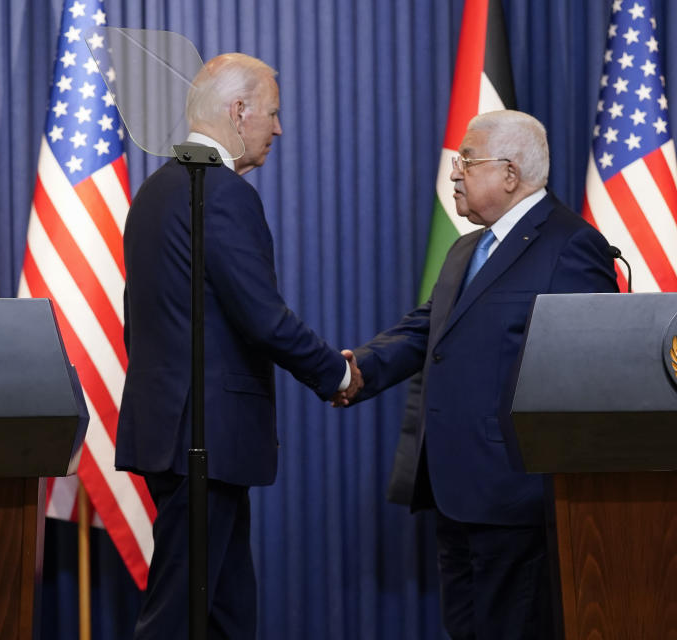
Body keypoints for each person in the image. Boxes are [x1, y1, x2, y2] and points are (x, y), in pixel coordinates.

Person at [336, 110, 619, 639]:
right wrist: (359, 370)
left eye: (466, 161)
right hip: (454, 490)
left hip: (516, 493)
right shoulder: (468, 247)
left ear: (510, 174)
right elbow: (428, 330)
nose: (454, 173)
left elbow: (592, 369)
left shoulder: (572, 246)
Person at [116, 53, 362, 640]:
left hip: (171, 431)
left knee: (226, 606)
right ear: (238, 111)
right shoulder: (220, 193)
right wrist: (337, 373)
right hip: (204, 435)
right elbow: (264, 318)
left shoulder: (155, 190)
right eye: (273, 114)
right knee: (177, 613)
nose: (278, 128)